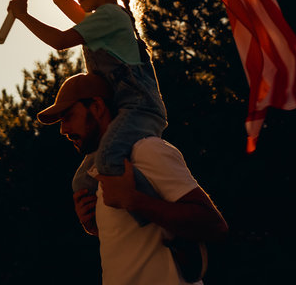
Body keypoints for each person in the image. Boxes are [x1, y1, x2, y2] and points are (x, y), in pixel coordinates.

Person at [8, 0, 167, 214]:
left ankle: (159, 211)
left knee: (106, 160)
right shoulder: (101, 22)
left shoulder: (110, 16)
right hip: (124, 111)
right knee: (83, 179)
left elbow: (60, 42)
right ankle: (101, 222)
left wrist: (23, 16)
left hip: (139, 109)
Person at [38, 73, 228, 284]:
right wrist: (95, 227)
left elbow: (214, 225)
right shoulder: (100, 173)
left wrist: (134, 200)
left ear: (98, 107)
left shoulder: (147, 149)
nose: (64, 130)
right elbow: (139, 243)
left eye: (68, 117)